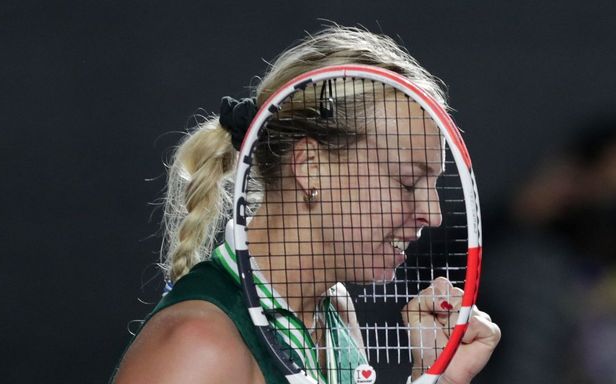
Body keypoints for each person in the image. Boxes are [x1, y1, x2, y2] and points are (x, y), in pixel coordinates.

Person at [113, 26, 500, 384]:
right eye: (407, 181)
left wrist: (434, 379)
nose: (432, 214)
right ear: (310, 168)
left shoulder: (335, 313)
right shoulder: (197, 347)